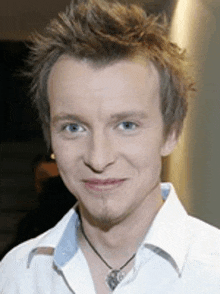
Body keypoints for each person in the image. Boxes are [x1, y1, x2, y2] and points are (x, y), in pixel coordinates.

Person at [1, 0, 220, 293]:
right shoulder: (17, 274)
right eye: (73, 128)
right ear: (50, 136)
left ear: (171, 133)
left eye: (126, 125)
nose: (98, 158)